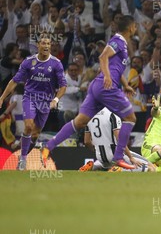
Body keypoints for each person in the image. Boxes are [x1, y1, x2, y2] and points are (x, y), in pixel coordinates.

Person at [42, 16, 138, 170]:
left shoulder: (123, 44)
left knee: (79, 122)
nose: (136, 28)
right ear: (131, 27)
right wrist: (107, 76)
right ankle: (118, 157)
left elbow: (115, 67)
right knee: (131, 118)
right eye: (135, 26)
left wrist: (125, 84)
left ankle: (48, 146)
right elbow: (103, 56)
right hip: (106, 86)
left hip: (98, 86)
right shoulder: (118, 40)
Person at [0, 35, 67, 170]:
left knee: (35, 134)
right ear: (38, 45)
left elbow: (63, 86)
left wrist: (55, 99)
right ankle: (23, 159)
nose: (47, 46)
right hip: (30, 98)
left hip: (46, 102)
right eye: (44, 43)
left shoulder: (56, 63)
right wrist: (2, 97)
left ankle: (24, 152)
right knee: (29, 126)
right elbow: (14, 81)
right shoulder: (28, 62)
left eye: (49, 43)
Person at [79, 107, 153, 172]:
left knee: (107, 165)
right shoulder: (112, 115)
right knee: (151, 168)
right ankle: (119, 170)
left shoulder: (90, 116)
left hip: (100, 158)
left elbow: (87, 142)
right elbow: (120, 140)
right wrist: (131, 158)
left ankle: (94, 166)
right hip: (116, 157)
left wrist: (98, 151)